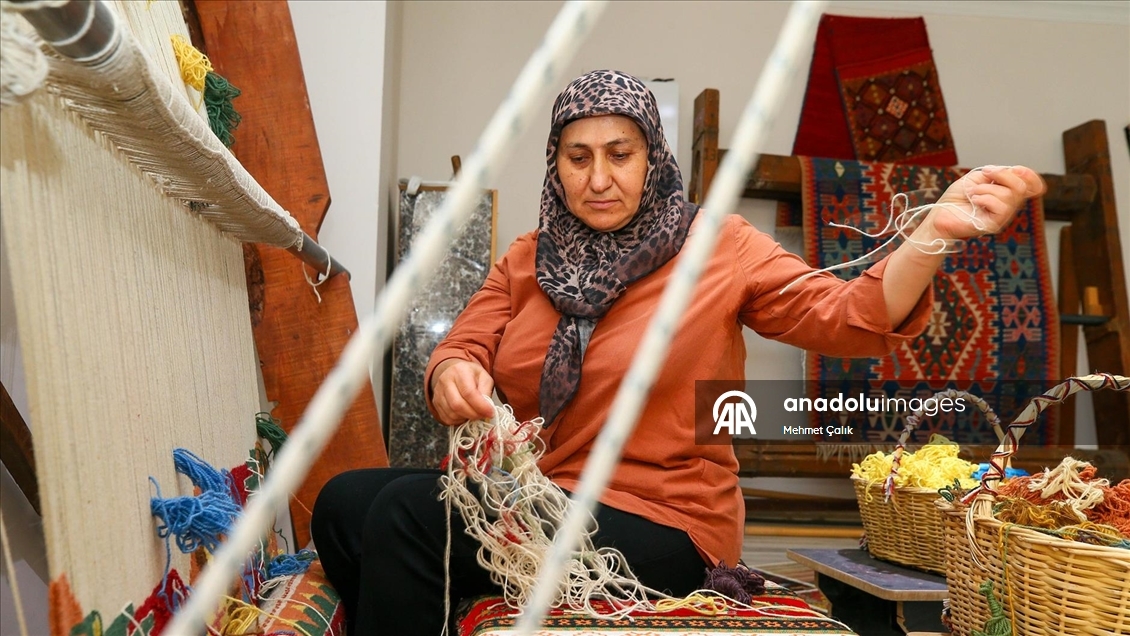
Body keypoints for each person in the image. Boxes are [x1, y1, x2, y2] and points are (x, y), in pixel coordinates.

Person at [311, 69, 1045, 635]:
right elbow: (463, 345)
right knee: (345, 503)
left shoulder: (717, 248)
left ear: (651, 156)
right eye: (578, 156)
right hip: (545, 498)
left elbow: (848, 314)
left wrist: (933, 234)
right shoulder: (530, 258)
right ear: (555, 166)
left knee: (408, 514)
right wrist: (455, 373)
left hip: (664, 524)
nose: (599, 178)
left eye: (620, 154)